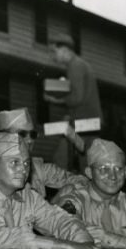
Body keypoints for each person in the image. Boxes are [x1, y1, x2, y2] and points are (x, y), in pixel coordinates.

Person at [0, 108, 87, 199]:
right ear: (3, 137)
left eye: (33, 134)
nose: (30, 140)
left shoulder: (38, 168)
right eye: (22, 134)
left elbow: (81, 181)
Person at [47, 33, 102, 171]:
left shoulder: (75, 66)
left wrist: (55, 99)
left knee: (72, 162)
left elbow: (77, 98)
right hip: (86, 122)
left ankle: (62, 188)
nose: (52, 56)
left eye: (54, 51)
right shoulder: (80, 65)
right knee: (80, 161)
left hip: (84, 123)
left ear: (65, 50)